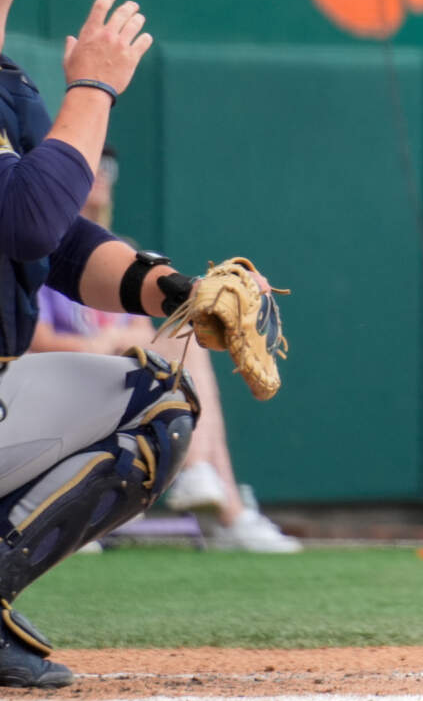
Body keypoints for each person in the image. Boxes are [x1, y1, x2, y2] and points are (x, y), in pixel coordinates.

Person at [0, 0, 264, 686]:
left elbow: (61, 245)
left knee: (163, 401)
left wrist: (176, 291)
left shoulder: (8, 85)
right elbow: (30, 221)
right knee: (154, 408)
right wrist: (92, 88)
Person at [34, 155, 297, 551]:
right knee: (163, 351)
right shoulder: (35, 242)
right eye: (94, 164)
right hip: (53, 385)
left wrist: (124, 334)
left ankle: (208, 482)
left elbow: (141, 331)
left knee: (184, 340)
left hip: (113, 381)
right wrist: (101, 344)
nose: (102, 175)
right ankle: (220, 502)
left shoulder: (123, 252)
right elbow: (32, 339)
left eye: (109, 167)